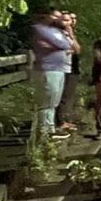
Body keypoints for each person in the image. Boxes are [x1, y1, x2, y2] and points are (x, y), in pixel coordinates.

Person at [30, 8, 74, 140]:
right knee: (46, 101)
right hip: (47, 69)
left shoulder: (56, 30)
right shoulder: (39, 29)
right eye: (55, 16)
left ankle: (50, 129)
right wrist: (58, 46)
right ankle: (43, 131)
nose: (58, 19)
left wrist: (56, 46)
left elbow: (67, 44)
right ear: (46, 16)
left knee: (54, 102)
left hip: (59, 69)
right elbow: (61, 44)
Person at [56, 11, 83, 131]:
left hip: (72, 67)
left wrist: (72, 36)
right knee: (61, 95)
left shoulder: (70, 34)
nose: (71, 22)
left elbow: (77, 50)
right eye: (67, 20)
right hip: (60, 68)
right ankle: (59, 121)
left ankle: (64, 119)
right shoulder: (57, 34)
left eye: (72, 19)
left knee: (68, 95)